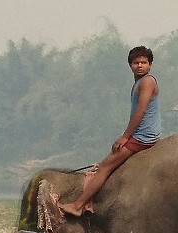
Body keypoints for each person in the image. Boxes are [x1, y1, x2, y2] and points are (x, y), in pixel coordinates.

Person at [59, 45, 161, 217]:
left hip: (143, 136)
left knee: (105, 167)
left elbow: (141, 110)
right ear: (130, 65)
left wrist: (126, 136)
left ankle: (77, 206)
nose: (140, 65)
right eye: (136, 62)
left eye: (144, 62)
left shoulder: (148, 81)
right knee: (108, 161)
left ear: (150, 65)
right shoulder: (138, 83)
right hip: (140, 133)